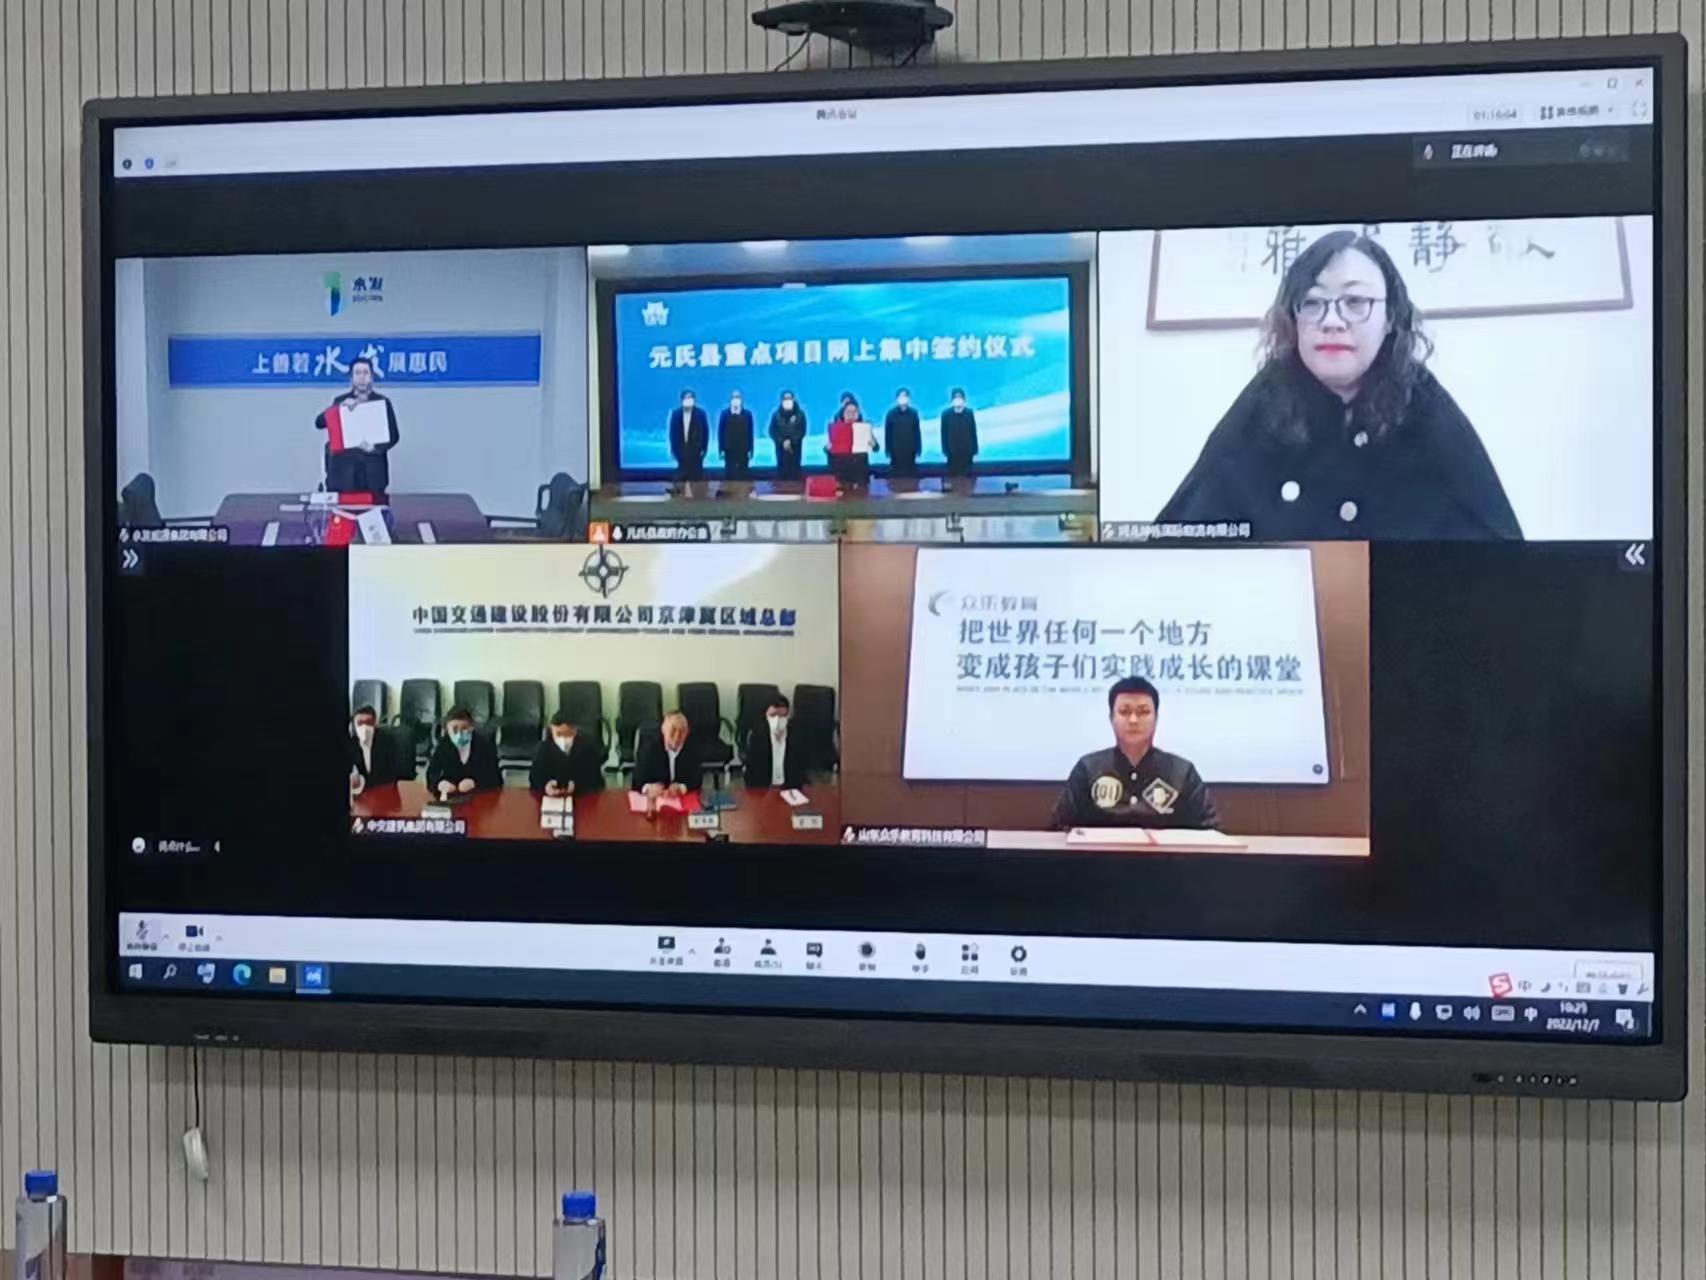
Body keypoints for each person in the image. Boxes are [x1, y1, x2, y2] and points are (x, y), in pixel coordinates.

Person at [1157, 229, 1521, 540]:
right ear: (1292, 319)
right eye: (1312, 302)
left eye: (1355, 301)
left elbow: (1498, 551)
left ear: (1390, 318)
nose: (1332, 321)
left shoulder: (1424, 405)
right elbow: (1179, 546)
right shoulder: (1264, 402)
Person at [1048, 677, 1219, 830]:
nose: (1133, 720)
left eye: (1143, 712)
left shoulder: (1182, 773)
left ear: (1156, 718)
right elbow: (1059, 828)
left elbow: (1210, 832)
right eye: (1124, 711)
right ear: (1111, 718)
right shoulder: (1088, 769)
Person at [315, 356, 400, 494]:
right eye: (358, 373)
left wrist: (375, 448)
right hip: (343, 475)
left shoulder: (382, 402)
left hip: (373, 474)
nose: (362, 377)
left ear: (372, 377)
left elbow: (394, 436)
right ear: (351, 378)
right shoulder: (341, 401)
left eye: (366, 373)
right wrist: (339, 408)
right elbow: (319, 423)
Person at [425, 706, 502, 799]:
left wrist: (476, 783)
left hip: (479, 797)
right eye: (455, 729)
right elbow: (431, 775)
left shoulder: (485, 746)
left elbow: (496, 780)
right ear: (447, 729)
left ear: (472, 727)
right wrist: (439, 784)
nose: (459, 734)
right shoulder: (443, 746)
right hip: (452, 798)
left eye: (464, 728)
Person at [528, 712, 607, 798]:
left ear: (575, 731)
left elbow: (597, 784)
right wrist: (545, 787)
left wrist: (576, 787)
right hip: (550, 799)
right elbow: (534, 781)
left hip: (581, 798)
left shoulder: (588, 750)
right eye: (559, 734)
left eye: (568, 734)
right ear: (552, 730)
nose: (563, 739)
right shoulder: (543, 750)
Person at [742, 694, 809, 790]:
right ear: (766, 716)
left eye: (783, 716)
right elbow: (752, 772)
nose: (778, 721)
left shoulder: (796, 735)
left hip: (788, 788)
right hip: (764, 788)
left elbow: (799, 769)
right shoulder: (757, 735)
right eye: (773, 716)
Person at [631, 711, 704, 796]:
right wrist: (649, 788)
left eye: (682, 731)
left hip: (680, 798)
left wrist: (681, 788)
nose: (677, 736)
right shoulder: (648, 749)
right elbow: (636, 782)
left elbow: (697, 780)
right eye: (673, 730)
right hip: (654, 798)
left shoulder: (693, 749)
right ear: (663, 729)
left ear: (687, 732)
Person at [348, 704, 409, 795]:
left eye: (369, 722)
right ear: (353, 725)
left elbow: (392, 774)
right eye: (360, 723)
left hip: (384, 792)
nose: (364, 727)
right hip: (360, 794)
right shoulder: (350, 743)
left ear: (375, 723)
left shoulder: (388, 741)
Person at [826, 398, 877, 490]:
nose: (852, 414)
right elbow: (827, 449)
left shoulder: (864, 428)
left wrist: (873, 444)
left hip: (860, 476)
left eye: (854, 412)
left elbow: (876, 448)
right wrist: (827, 448)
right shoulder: (837, 428)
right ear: (843, 413)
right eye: (848, 412)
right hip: (842, 476)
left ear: (858, 414)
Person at [668, 389, 710, 481]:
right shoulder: (676, 414)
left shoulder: (701, 414)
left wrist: (704, 449)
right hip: (681, 451)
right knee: (680, 481)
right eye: (686, 398)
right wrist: (673, 450)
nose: (688, 400)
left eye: (690, 397)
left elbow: (706, 432)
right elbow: (672, 433)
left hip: (696, 452)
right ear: (681, 400)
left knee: (697, 481)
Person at [939, 387, 979, 477]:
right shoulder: (946, 415)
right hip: (952, 453)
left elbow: (973, 432)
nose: (958, 399)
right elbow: (943, 434)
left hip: (967, 453)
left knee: (968, 478)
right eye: (955, 397)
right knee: (953, 477)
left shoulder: (969, 413)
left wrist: (975, 449)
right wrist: (945, 450)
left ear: (964, 399)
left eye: (960, 397)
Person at [717, 390, 756, 479]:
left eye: (738, 397)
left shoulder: (748, 414)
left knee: (743, 475)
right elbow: (720, 433)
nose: (736, 399)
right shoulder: (724, 414)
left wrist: (751, 450)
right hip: (729, 450)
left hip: (743, 450)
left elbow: (750, 433)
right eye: (734, 397)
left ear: (742, 400)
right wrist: (721, 450)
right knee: (729, 475)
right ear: (730, 399)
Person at [769, 390, 808, 480]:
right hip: (781, 450)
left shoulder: (800, 414)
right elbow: (772, 431)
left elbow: (802, 430)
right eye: (785, 399)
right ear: (781, 401)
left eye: (789, 398)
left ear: (793, 399)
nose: (787, 401)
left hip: (795, 449)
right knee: (782, 474)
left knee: (795, 473)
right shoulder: (776, 415)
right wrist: (782, 441)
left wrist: (791, 441)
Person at [884, 388, 922, 477]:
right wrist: (887, 450)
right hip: (895, 451)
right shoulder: (891, 414)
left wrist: (918, 449)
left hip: (910, 451)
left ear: (909, 398)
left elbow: (917, 432)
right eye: (900, 396)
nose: (903, 398)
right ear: (897, 399)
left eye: (905, 396)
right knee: (895, 476)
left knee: (911, 476)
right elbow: (887, 434)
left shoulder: (914, 413)